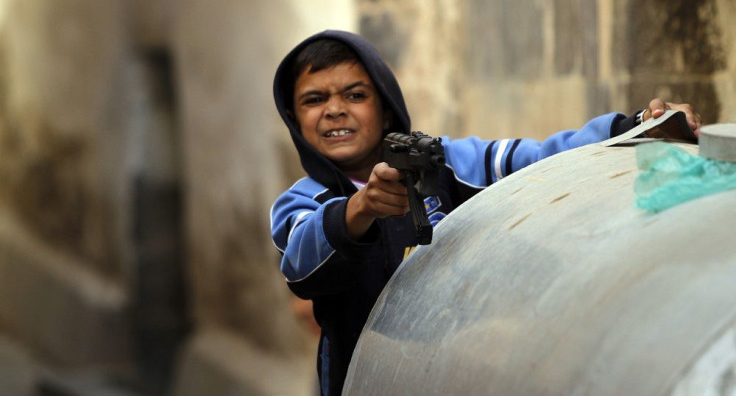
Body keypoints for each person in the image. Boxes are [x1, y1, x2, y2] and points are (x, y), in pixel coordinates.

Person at [270, 29, 701, 395]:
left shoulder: (446, 161)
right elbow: (301, 264)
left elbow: (538, 158)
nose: (334, 109)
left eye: (355, 94)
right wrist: (359, 209)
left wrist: (637, 127)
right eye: (314, 99)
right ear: (294, 117)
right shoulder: (301, 201)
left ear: (384, 109)